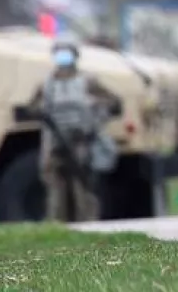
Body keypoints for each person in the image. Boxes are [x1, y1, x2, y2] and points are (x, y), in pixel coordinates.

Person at [25, 34, 122, 223]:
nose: (63, 58)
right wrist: (40, 112)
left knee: (82, 183)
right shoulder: (47, 85)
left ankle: (87, 222)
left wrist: (95, 116)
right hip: (54, 139)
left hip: (81, 139)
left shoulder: (87, 81)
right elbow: (31, 108)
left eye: (66, 53)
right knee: (54, 182)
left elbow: (113, 102)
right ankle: (57, 221)